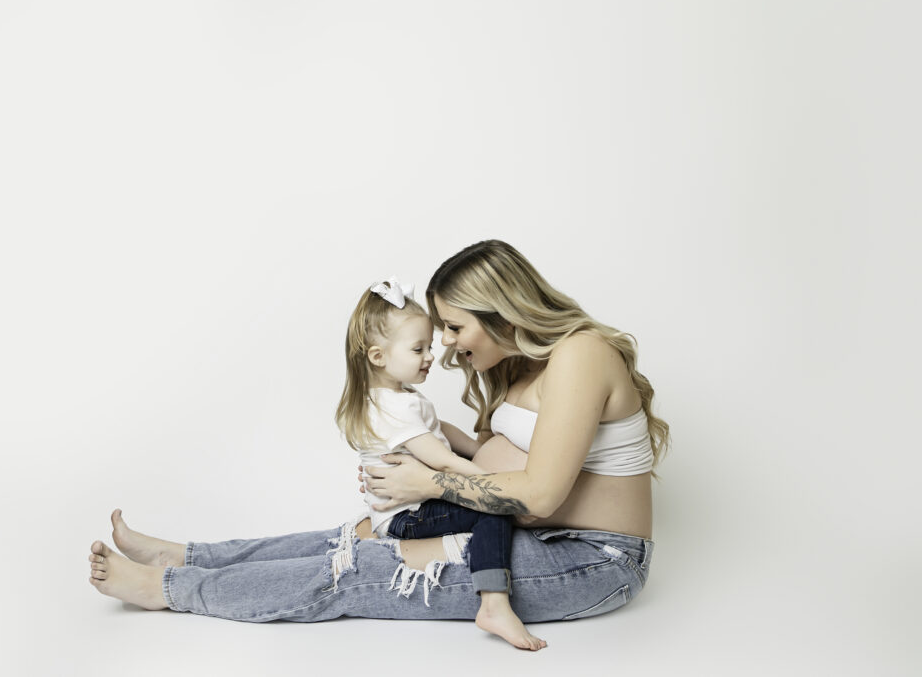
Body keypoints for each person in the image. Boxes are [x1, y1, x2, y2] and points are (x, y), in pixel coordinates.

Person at [88, 239, 668, 635]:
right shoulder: (522, 365)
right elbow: (506, 458)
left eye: (454, 326)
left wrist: (429, 478)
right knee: (348, 537)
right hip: (526, 533)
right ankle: (187, 557)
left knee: (358, 570)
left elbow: (540, 495)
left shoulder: (581, 355)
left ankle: (169, 589)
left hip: (594, 560)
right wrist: (427, 456)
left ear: (501, 312)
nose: (445, 343)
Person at [336, 276, 545, 650]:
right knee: (492, 509)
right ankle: (494, 602)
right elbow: (442, 461)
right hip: (408, 515)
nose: (430, 356)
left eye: (428, 346)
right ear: (378, 356)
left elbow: (439, 430)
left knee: (485, 503)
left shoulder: (396, 397)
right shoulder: (395, 406)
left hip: (407, 507)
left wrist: (476, 447)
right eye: (418, 349)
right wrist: (496, 481)